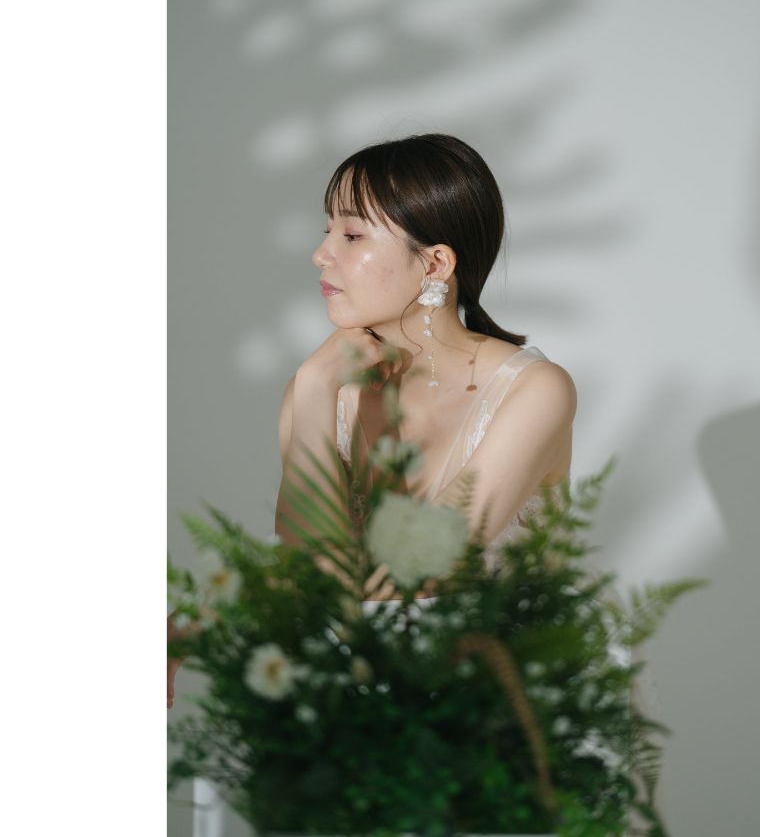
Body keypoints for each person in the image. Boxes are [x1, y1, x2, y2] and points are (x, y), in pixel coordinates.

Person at [169, 132, 576, 707]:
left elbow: (417, 573)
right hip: (360, 706)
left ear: (435, 263)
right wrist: (315, 386)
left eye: (352, 234)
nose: (321, 254)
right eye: (326, 230)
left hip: (507, 712)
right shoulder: (320, 389)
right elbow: (305, 566)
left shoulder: (534, 391)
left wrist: (221, 612)